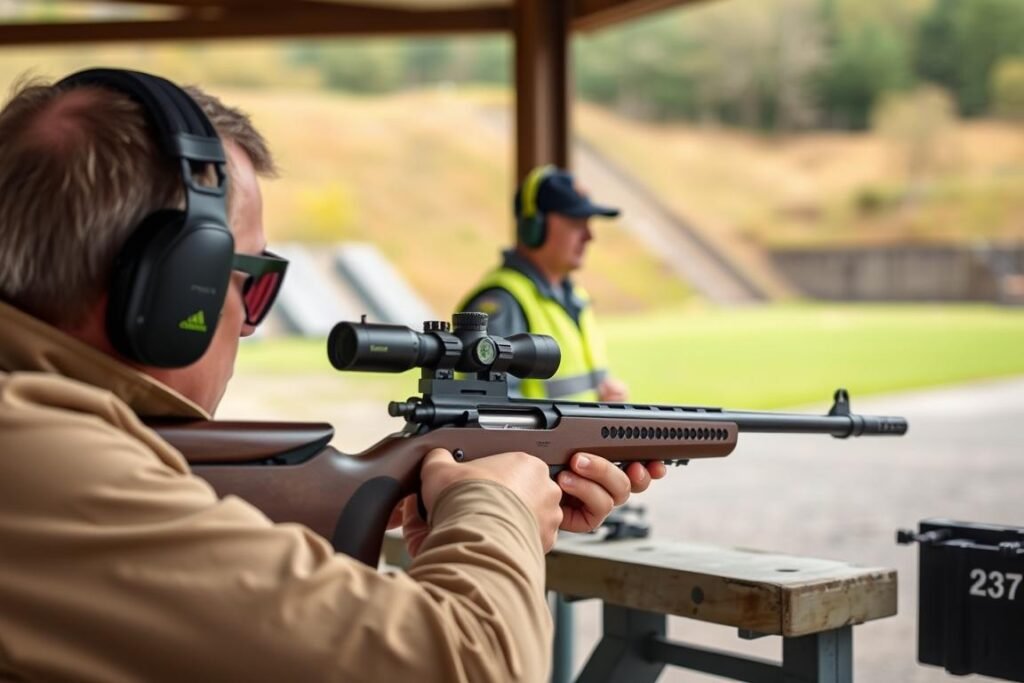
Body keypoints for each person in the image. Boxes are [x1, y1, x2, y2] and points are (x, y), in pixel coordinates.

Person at [0, 70, 665, 682]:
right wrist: (500, 510)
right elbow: (468, 664)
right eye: (252, 285)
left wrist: (460, 546)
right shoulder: (39, 462)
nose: (251, 323)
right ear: (176, 293)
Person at [461, 165, 630, 403]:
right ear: (534, 226)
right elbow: (488, 413)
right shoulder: (503, 303)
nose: (589, 236)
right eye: (575, 222)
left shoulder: (574, 296)